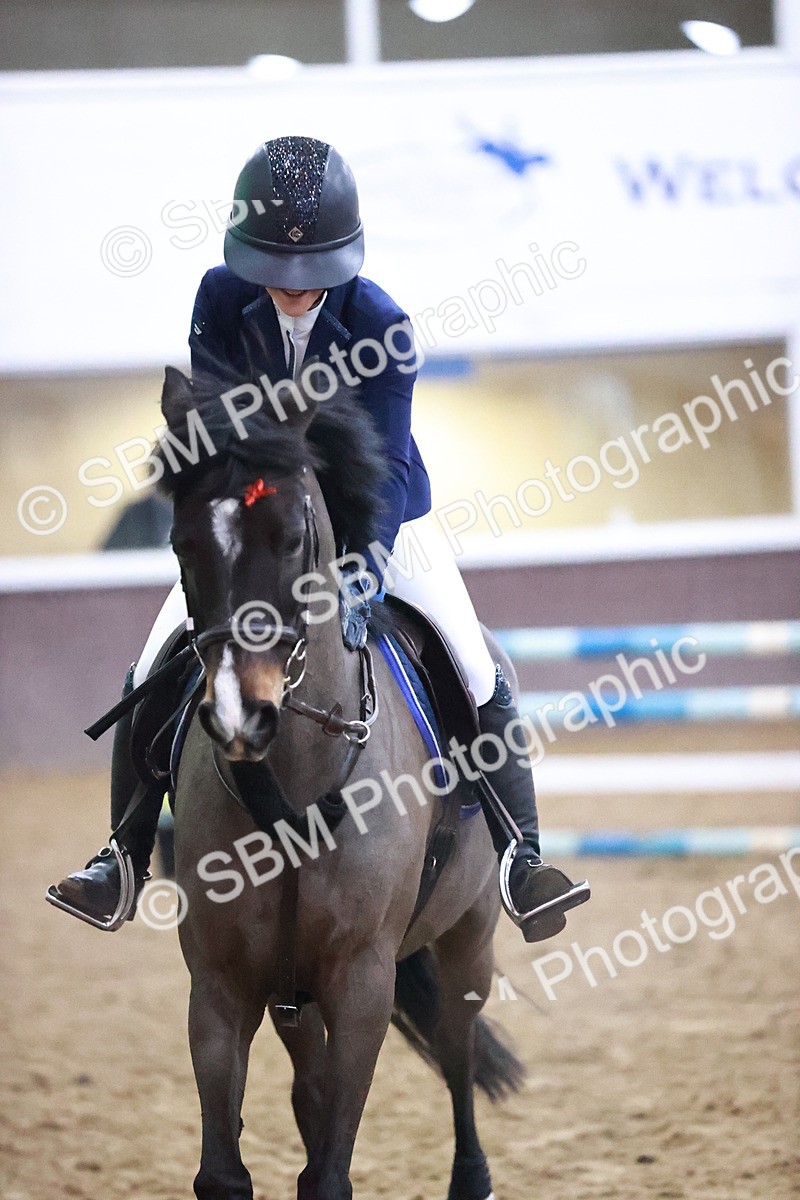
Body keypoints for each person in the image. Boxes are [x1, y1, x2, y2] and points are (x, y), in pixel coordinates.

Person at [49, 136, 589, 941]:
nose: (293, 293)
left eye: (310, 278)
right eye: (275, 272)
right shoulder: (218, 298)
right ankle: (121, 856)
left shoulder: (383, 325)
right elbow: (215, 435)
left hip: (383, 514)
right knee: (155, 659)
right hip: (263, 520)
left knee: (473, 663)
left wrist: (365, 568)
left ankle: (521, 858)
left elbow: (390, 465)